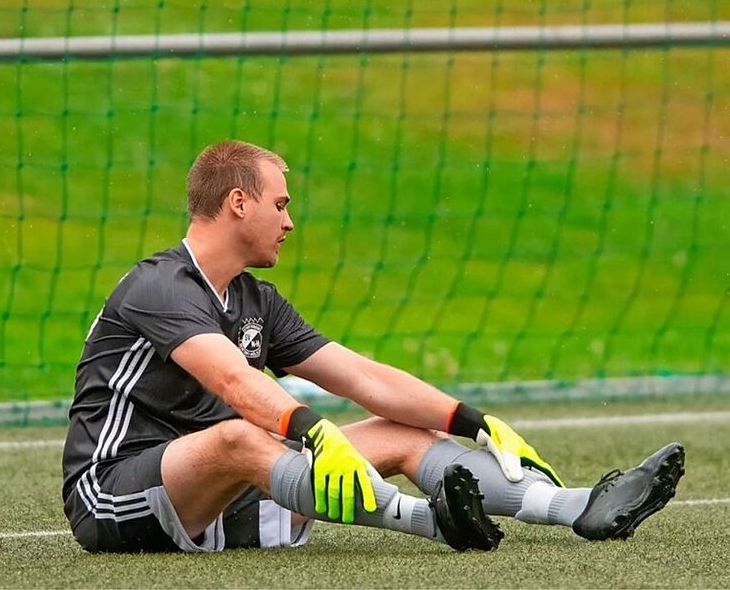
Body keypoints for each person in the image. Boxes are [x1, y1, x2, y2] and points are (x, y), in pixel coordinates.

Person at [61, 140, 685, 553]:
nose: (289, 221)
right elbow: (232, 382)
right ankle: (430, 522)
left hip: (229, 501)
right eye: (279, 204)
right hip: (116, 497)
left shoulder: (257, 299)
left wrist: (473, 421)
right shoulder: (158, 286)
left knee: (405, 433)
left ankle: (579, 507)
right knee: (239, 436)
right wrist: (313, 432)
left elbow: (360, 376)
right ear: (237, 202)